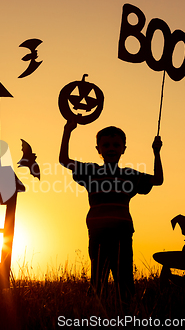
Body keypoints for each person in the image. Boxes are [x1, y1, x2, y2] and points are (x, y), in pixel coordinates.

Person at [59, 120, 163, 301]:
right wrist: (67, 130)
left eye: (116, 145)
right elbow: (64, 160)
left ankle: (126, 314)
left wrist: (156, 153)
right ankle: (97, 315)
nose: (111, 148)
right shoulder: (90, 171)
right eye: (105, 145)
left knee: (125, 281)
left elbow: (158, 180)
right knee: (98, 280)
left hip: (122, 233)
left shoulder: (130, 175)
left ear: (124, 148)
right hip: (98, 233)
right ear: (98, 149)